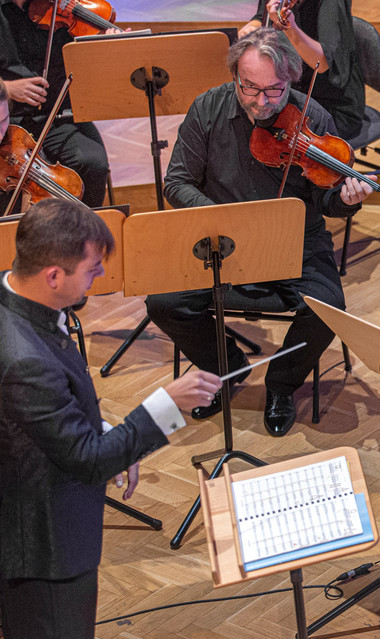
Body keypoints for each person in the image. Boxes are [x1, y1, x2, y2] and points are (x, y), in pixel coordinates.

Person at [0, 199, 221, 639]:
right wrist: (166, 404)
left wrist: (106, 431)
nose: (99, 276)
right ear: (54, 276)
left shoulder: (16, 301)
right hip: (44, 547)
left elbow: (43, 419)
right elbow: (89, 461)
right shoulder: (26, 362)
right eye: (92, 268)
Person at [145, 28, 373, 437]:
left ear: (290, 80)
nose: (261, 102)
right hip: (219, 239)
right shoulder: (207, 109)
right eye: (250, 88)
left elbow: (325, 201)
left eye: (274, 90)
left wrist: (346, 200)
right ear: (236, 76)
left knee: (328, 307)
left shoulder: (313, 117)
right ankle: (226, 369)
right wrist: (225, 221)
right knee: (163, 302)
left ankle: (281, 385)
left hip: (293, 238)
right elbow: (177, 183)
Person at [0, 0, 110, 208]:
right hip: (5, 119)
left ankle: (81, 234)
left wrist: (106, 46)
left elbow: (87, 66)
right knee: (9, 184)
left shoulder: (59, 10)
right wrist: (7, 89)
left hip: (55, 116)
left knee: (92, 162)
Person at [239, 0, 366, 140]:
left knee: (259, 135)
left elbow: (322, 63)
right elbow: (261, 17)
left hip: (331, 105)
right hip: (289, 93)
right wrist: (252, 26)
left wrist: (290, 29)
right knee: (237, 119)